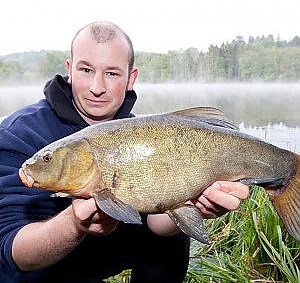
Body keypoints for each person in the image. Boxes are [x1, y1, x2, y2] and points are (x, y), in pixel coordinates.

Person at [0, 21, 249, 283]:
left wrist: (195, 203)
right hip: (49, 260)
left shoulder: (144, 135)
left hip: (117, 248)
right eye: (86, 69)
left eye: (112, 74)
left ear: (131, 78)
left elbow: (155, 224)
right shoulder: (20, 133)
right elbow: (13, 252)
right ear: (69, 70)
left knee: (175, 240)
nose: (97, 87)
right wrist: (74, 223)